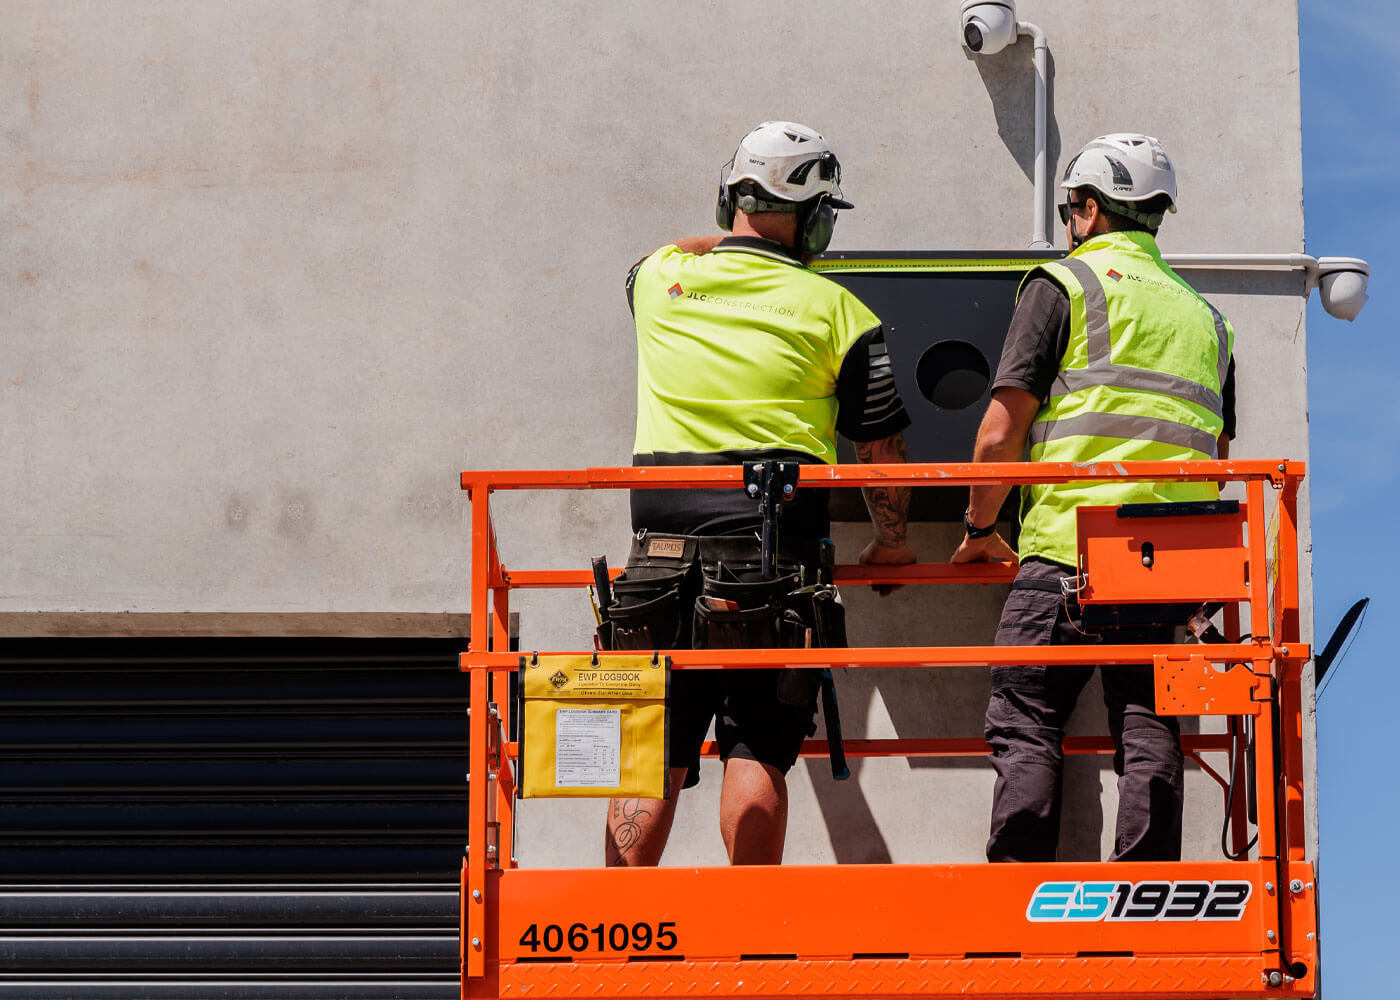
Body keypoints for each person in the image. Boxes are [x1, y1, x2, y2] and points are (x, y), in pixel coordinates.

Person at [603, 121, 915, 867]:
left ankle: (614, 942)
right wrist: (892, 542)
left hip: (656, 561)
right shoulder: (841, 312)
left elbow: (668, 252)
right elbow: (881, 450)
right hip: (777, 562)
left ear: (727, 202)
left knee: (652, 753)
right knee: (757, 751)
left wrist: (732, 236)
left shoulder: (654, 281)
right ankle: (746, 940)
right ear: (811, 215)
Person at [951, 133, 1237, 863]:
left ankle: (1017, 890)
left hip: (1067, 552)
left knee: (1027, 718)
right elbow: (1218, 456)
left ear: (1087, 208)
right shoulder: (1207, 319)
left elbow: (998, 434)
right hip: (1172, 566)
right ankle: (1147, 894)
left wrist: (981, 525)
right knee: (1148, 726)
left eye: (1071, 208)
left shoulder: (1066, 284)